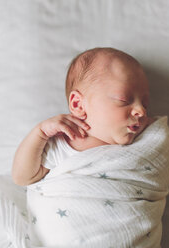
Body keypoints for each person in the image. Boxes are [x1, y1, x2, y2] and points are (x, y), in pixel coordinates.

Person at [12, 47, 155, 186]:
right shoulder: (64, 143)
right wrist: (40, 133)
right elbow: (22, 178)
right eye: (123, 100)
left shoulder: (146, 139)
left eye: (145, 104)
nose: (141, 111)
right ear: (78, 105)